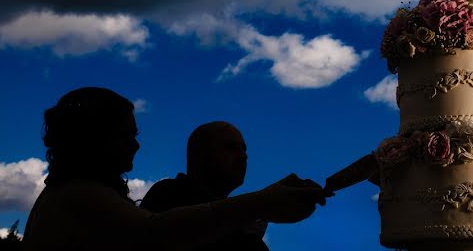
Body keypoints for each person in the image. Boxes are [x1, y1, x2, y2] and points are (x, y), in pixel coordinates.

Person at [23, 87, 328, 251]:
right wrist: (264, 200)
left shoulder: (71, 194)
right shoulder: (79, 195)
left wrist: (269, 202)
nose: (136, 146)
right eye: (125, 135)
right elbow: (157, 234)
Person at [141, 122, 267, 250]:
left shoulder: (240, 223)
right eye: (231, 147)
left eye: (243, 149)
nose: (243, 156)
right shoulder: (168, 194)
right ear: (199, 154)